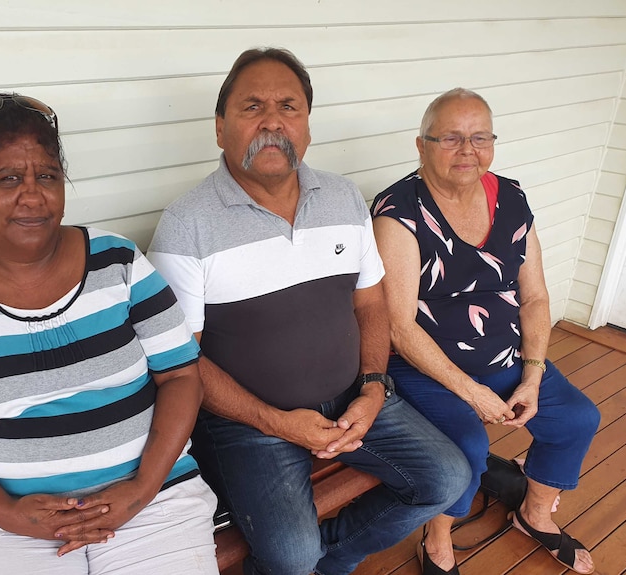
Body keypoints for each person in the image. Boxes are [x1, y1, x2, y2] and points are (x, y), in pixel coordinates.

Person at [146, 48, 470, 575]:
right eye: (252, 106)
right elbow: (183, 361)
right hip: (248, 423)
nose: (272, 121)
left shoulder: (343, 199)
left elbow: (370, 303)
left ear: (308, 127)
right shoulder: (187, 226)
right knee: (290, 555)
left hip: (354, 398)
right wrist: (276, 421)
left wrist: (371, 386)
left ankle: (328, 561)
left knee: (448, 477)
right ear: (220, 127)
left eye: (289, 107)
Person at [0, 92, 219, 575]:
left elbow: (181, 377)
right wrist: (10, 515)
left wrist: (140, 489)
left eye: (46, 175)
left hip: (152, 503)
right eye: (8, 179)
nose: (33, 195)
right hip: (2, 524)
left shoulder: (119, 263)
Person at [371, 88, 601, 575]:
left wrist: (533, 376)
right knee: (468, 448)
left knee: (576, 419)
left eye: (479, 137)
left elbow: (535, 297)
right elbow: (397, 325)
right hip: (423, 368)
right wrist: (472, 393)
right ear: (421, 145)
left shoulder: (512, 197)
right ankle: (437, 538)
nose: (467, 150)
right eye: (450, 138)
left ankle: (534, 515)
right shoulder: (399, 212)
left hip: (504, 358)